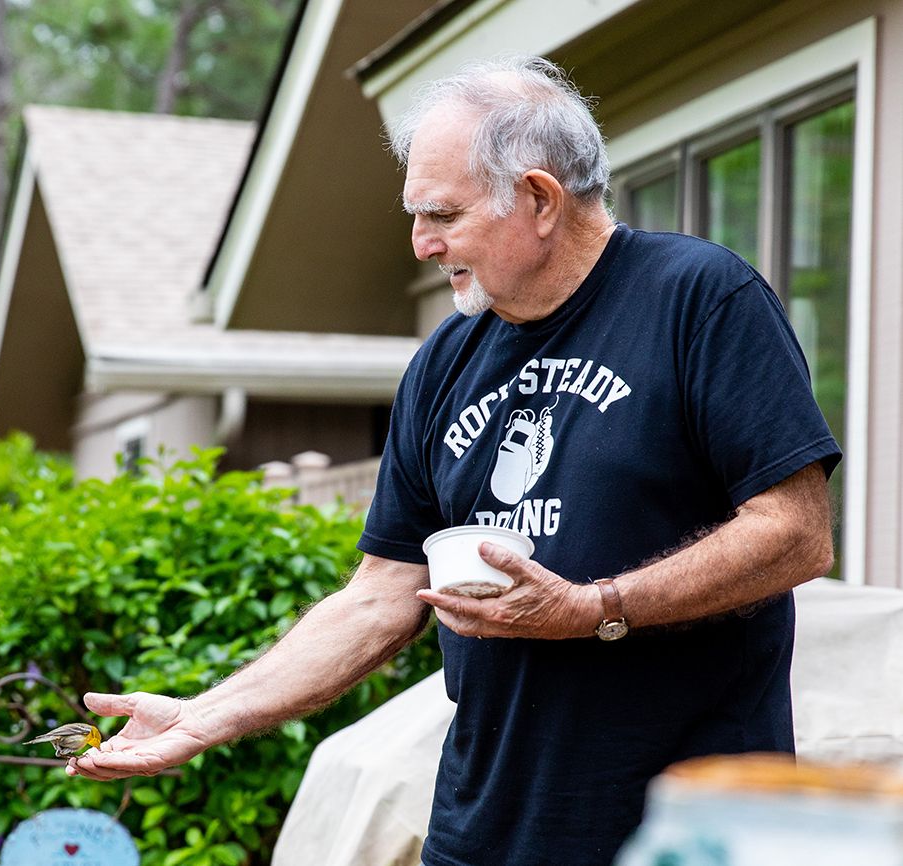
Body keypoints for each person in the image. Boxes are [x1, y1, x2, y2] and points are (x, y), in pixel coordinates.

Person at [70, 54, 840, 866]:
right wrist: (205, 715)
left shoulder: (699, 299)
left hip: (690, 836)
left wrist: (595, 607)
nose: (419, 244)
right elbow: (380, 595)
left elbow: (795, 532)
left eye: (440, 214)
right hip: (482, 835)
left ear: (539, 199)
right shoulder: (444, 361)